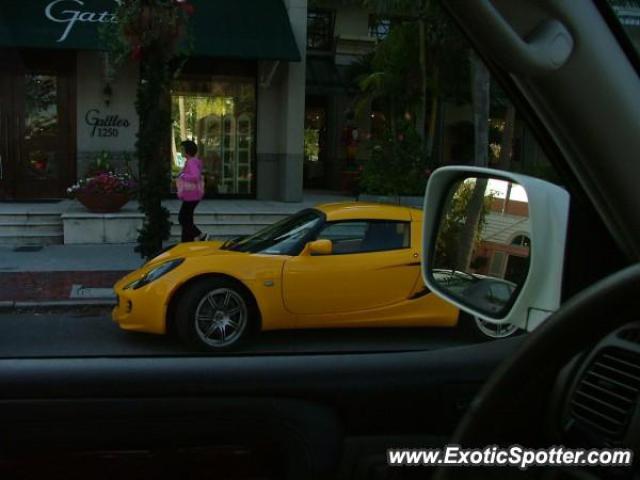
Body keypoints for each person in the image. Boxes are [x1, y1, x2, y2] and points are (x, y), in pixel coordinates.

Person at [177, 140, 208, 242]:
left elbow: (196, 177)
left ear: (187, 151)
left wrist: (182, 175)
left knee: (182, 218)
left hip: (192, 196)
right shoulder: (191, 161)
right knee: (187, 219)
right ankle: (186, 241)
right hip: (192, 195)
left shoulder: (191, 162)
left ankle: (200, 235)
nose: (180, 151)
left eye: (182, 149)